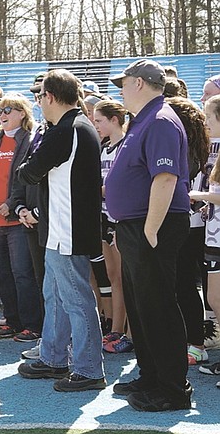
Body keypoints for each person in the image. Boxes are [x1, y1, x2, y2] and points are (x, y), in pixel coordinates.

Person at [106, 59, 192, 411]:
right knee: (143, 308)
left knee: (157, 307)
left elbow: (166, 178)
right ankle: (151, 375)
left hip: (152, 225)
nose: (120, 90)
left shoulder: (159, 120)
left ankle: (172, 389)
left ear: (139, 84)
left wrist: (151, 229)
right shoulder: (144, 121)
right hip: (137, 226)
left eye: (123, 84)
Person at [16, 69, 105, 392]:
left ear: (50, 97)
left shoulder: (66, 129)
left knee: (77, 299)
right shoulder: (77, 126)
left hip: (67, 228)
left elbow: (28, 172)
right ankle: (54, 357)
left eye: (39, 96)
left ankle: (88, 368)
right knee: (55, 295)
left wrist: (29, 168)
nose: (38, 103)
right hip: (62, 227)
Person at [0, 94, 42, 342]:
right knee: (2, 273)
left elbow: (27, 179)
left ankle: (33, 324)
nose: (2, 114)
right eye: (0, 110)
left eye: (8, 109)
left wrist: (12, 204)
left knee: (23, 273)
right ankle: (12, 320)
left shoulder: (31, 141)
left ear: (23, 113)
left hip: (17, 222)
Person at [165, 96, 210, 367]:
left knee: (185, 286)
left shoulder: (193, 150)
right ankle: (192, 340)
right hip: (191, 225)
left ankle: (197, 343)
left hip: (192, 226)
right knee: (182, 286)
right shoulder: (193, 146)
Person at [92, 99, 131, 354]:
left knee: (125, 277)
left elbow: (124, 184)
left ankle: (128, 332)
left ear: (114, 120)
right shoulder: (104, 148)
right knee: (112, 275)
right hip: (105, 216)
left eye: (99, 121)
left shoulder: (125, 147)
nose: (95, 125)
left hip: (122, 218)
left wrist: (96, 191)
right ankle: (116, 328)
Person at [190, 93, 220, 383]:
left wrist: (197, 195)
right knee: (212, 296)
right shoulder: (212, 148)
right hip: (213, 233)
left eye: (210, 117)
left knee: (216, 296)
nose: (206, 123)